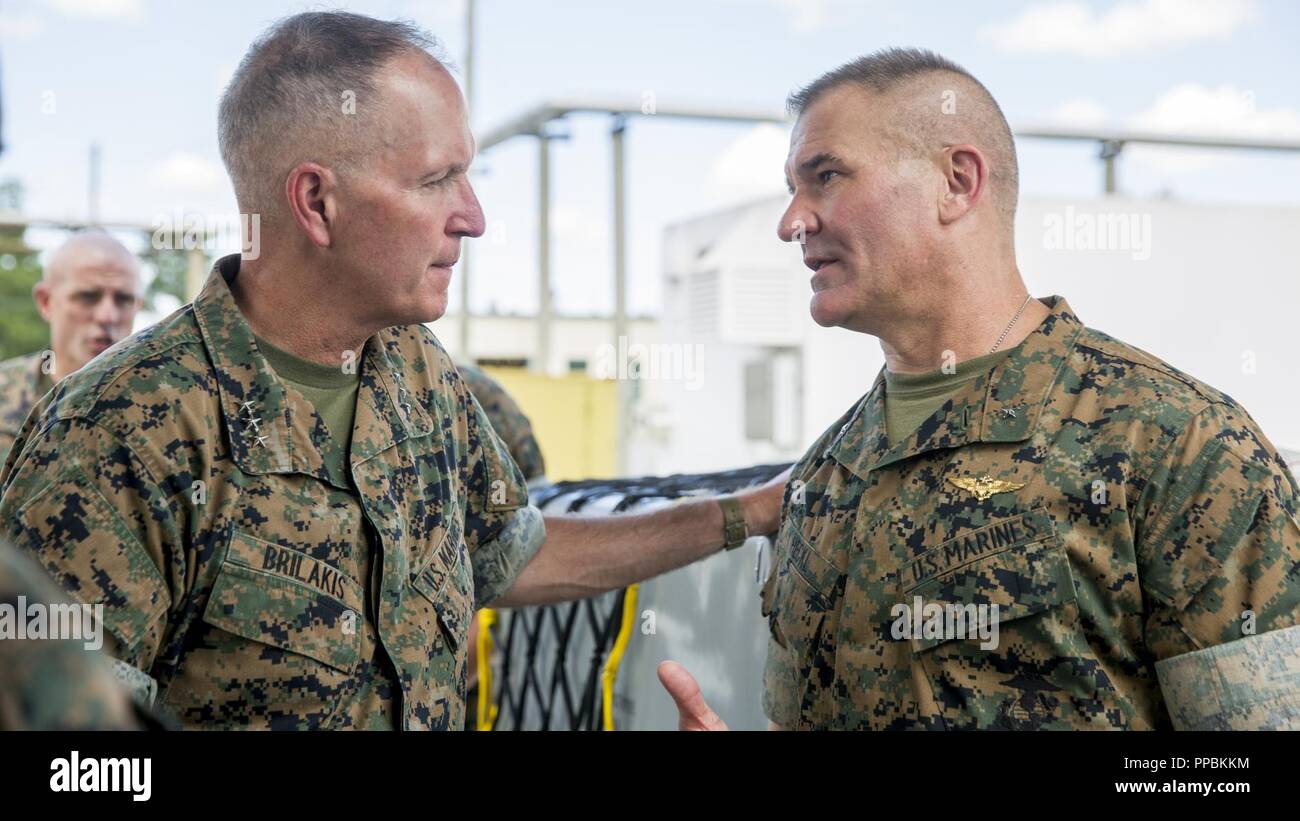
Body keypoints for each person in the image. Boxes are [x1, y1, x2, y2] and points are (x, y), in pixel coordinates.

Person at [0, 11, 784, 730]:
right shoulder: (118, 429)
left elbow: (514, 553)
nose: (473, 216)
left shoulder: (417, 376)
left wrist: (746, 512)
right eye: (436, 179)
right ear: (317, 202)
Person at [661, 48, 1300, 731]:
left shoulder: (1177, 443)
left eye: (826, 176)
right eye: (794, 186)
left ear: (958, 181)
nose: (792, 221)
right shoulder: (823, 476)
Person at [0, 231, 142, 464]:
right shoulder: (5, 394)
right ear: (46, 301)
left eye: (123, 299)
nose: (107, 316)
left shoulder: (165, 406)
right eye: (88, 296)